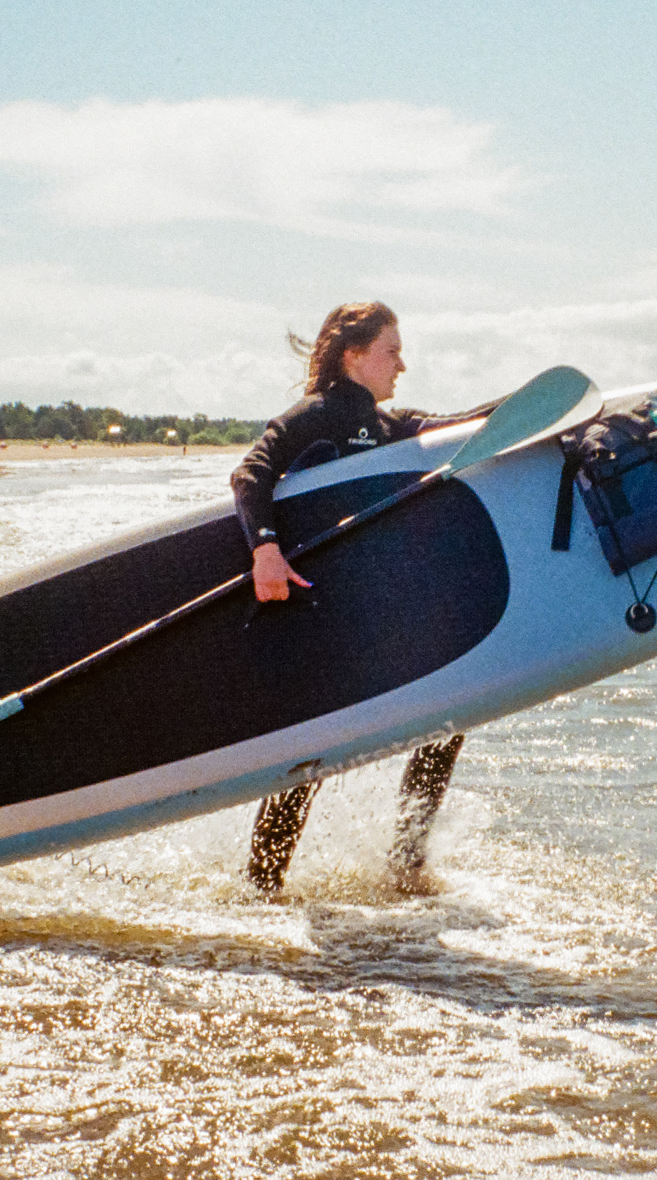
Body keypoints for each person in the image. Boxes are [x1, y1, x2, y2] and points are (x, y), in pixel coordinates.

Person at [231, 301, 484, 896]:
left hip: (370, 616)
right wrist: (264, 549)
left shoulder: (390, 426)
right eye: (390, 351)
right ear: (353, 355)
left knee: (450, 715)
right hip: (321, 616)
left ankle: (405, 862)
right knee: (313, 753)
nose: (402, 364)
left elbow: (465, 423)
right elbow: (250, 475)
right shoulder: (315, 417)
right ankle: (263, 883)